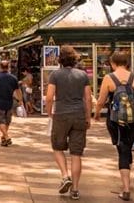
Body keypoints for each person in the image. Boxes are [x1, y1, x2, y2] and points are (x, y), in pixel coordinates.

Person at [94, 51, 134, 201]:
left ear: (112, 63)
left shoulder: (108, 78)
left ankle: (126, 189)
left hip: (116, 121)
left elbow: (101, 100)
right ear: (127, 63)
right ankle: (127, 173)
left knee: (122, 149)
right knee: (127, 148)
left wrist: (96, 114)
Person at [46, 46, 91, 200]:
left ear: (60, 59)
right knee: (76, 153)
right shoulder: (83, 75)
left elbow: (50, 96)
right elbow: (88, 98)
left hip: (61, 115)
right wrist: (88, 117)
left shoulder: (55, 75)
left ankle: (65, 176)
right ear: (74, 59)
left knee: (57, 147)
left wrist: (49, 112)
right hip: (78, 115)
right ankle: (76, 190)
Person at [0, 60, 22, 147]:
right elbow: (18, 90)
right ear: (8, 67)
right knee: (7, 121)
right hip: (10, 102)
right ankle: (4, 138)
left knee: (1, 120)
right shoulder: (13, 78)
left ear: (0, 67)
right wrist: (20, 100)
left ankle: (6, 136)